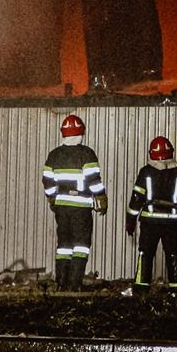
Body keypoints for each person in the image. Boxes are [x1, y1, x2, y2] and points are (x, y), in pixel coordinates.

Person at [41, 114, 106, 290]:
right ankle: (75, 283)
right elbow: (94, 180)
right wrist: (101, 198)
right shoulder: (86, 154)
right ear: (81, 133)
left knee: (64, 245)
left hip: (61, 208)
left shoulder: (54, 155)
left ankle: (61, 282)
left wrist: (53, 198)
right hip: (81, 208)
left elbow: (47, 180)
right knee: (81, 245)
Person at [127, 136, 177, 297]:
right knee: (173, 253)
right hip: (172, 222)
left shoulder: (146, 172)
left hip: (149, 222)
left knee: (146, 253)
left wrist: (130, 220)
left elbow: (137, 198)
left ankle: (141, 288)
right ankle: (176, 289)